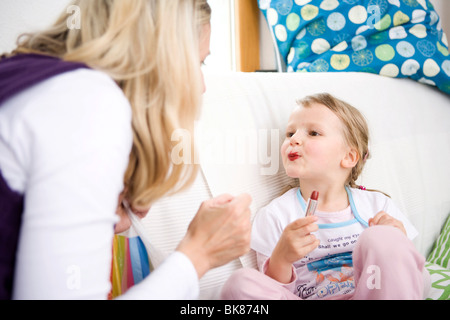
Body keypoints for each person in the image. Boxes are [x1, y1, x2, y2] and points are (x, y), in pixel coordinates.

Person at [0, 0, 251, 300]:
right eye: (197, 62)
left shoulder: (25, 75)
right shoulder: (87, 104)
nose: (201, 86)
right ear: (160, 56)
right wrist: (199, 253)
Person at [221, 93, 430, 300]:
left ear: (349, 157)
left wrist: (396, 240)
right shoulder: (275, 215)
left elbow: (416, 278)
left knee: (382, 238)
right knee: (241, 282)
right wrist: (282, 258)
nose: (294, 140)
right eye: (290, 133)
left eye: (313, 133)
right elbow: (273, 290)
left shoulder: (378, 206)